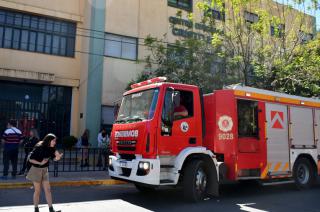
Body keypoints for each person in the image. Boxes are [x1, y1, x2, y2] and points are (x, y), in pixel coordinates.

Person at [27, 133, 63, 212]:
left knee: (48, 190)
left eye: (55, 141)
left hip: (45, 170)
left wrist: (58, 158)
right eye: (53, 141)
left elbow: (54, 159)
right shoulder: (39, 147)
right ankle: (36, 209)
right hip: (36, 170)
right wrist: (40, 163)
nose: (55, 142)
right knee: (37, 191)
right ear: (49, 140)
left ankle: (51, 209)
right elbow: (30, 159)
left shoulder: (52, 148)